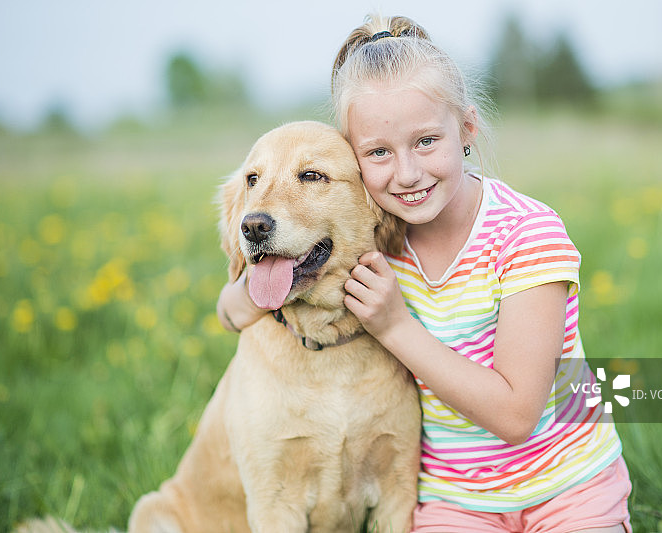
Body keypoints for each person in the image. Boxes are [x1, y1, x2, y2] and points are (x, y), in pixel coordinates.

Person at [219, 14, 631, 533]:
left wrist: (394, 327)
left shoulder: (527, 233)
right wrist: (255, 295)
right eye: (378, 153)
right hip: (454, 501)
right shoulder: (370, 245)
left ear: (467, 130)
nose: (408, 173)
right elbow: (232, 308)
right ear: (356, 164)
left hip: (568, 486)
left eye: (426, 142)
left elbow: (517, 415)